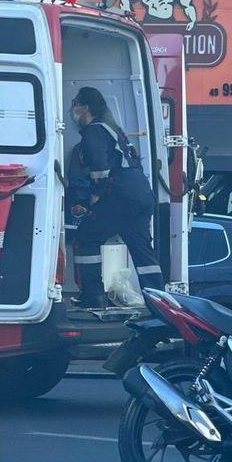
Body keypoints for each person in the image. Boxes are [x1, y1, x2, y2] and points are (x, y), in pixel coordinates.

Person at [69, 87, 164, 307]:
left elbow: (100, 172)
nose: (73, 110)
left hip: (121, 195)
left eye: (75, 104)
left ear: (85, 107)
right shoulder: (114, 129)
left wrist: (92, 199)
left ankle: (93, 297)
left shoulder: (94, 131)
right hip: (141, 194)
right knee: (142, 251)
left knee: (86, 237)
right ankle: (160, 303)